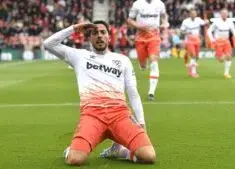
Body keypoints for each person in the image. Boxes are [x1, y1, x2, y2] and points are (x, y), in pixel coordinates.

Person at [43, 20, 156, 166]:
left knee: (148, 156)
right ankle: (70, 150)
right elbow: (49, 44)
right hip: (92, 115)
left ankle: (119, 151)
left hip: (120, 115)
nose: (99, 36)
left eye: (103, 32)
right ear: (89, 38)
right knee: (75, 160)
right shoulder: (79, 56)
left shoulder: (122, 60)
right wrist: (75, 28)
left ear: (109, 37)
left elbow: (133, 93)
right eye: (94, 33)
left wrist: (141, 122)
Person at [127, 0, 169, 100]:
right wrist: (140, 26)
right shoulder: (137, 3)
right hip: (140, 36)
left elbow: (164, 16)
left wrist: (164, 23)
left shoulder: (159, 3)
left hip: (154, 36)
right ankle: (142, 64)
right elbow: (129, 20)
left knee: (154, 62)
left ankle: (151, 92)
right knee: (143, 65)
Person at [207, 9, 235, 79]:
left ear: (227, 14)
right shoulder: (216, 22)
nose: (224, 14)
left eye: (226, 13)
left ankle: (226, 73)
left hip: (226, 41)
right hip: (218, 42)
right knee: (221, 60)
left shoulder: (230, 22)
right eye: (223, 13)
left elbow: (233, 31)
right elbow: (209, 31)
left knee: (229, 57)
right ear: (220, 14)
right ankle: (218, 56)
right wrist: (212, 39)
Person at [180, 9, 208, 78]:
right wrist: (185, 36)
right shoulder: (185, 21)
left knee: (196, 57)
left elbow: (204, 23)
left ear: (196, 14)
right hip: (189, 40)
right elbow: (181, 31)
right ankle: (193, 72)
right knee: (193, 55)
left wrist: (207, 21)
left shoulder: (198, 20)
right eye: (192, 14)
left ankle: (190, 67)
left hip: (197, 40)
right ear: (189, 14)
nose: (193, 15)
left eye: (194, 14)